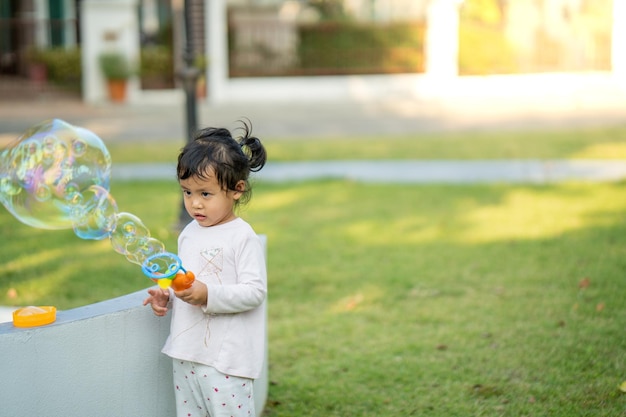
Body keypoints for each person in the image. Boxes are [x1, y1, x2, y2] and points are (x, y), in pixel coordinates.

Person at [143, 121, 267, 417]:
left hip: (226, 362)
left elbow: (254, 292)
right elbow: (187, 282)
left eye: (205, 194)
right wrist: (168, 296)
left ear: (237, 190)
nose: (194, 204)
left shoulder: (242, 236)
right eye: (187, 192)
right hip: (186, 353)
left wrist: (208, 295)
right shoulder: (188, 234)